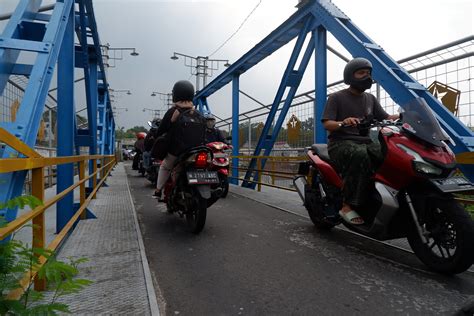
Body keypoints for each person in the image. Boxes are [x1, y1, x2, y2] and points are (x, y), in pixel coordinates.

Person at [321, 57, 399, 225]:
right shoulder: (336, 97)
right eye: (361, 72)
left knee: (390, 154)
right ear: (350, 76)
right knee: (360, 155)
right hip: (340, 142)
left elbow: (386, 117)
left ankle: (381, 197)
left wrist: (404, 116)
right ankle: (347, 205)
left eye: (369, 73)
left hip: (364, 141)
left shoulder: (370, 98)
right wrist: (343, 122)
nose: (367, 76)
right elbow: (327, 123)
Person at [153, 80, 205, 199]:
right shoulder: (197, 113)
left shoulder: (173, 111)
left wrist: (157, 137)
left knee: (165, 166)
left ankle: (158, 190)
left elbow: (161, 130)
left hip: (177, 152)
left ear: (175, 94)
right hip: (197, 151)